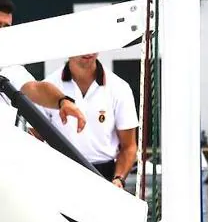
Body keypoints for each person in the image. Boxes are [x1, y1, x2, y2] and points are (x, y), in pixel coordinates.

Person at [38, 53, 139, 188]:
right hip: (60, 175)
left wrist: (119, 178)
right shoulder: (47, 86)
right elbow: (33, 139)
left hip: (105, 176)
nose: (88, 51)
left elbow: (129, 147)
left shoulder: (119, 88)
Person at [0, 0, 86, 131]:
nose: (2, 32)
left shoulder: (9, 68)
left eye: (6, 27)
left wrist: (63, 101)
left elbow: (34, 88)